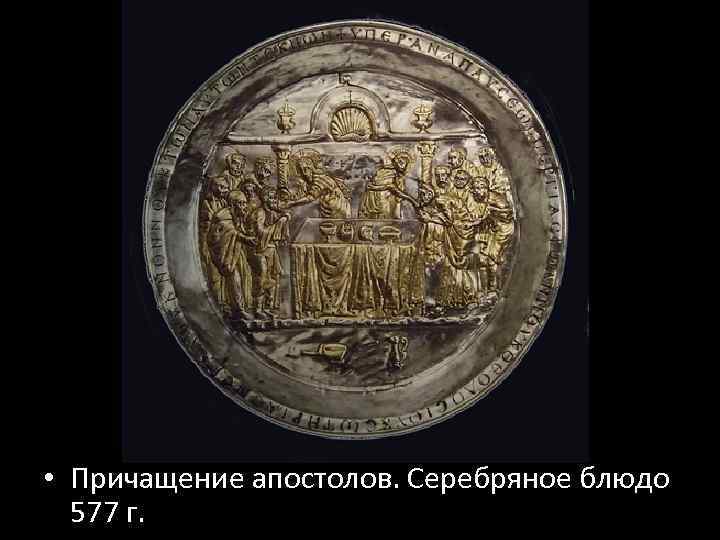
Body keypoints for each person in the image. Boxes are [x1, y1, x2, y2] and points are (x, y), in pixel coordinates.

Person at [206, 190, 255, 318]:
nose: (244, 206)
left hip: (233, 251)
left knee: (241, 276)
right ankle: (235, 309)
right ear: (232, 204)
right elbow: (226, 233)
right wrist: (245, 238)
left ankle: (240, 307)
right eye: (241, 203)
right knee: (232, 278)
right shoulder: (223, 217)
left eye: (245, 203)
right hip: (223, 253)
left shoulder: (237, 216)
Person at [246, 187, 290, 318]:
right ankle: (258, 309)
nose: (274, 201)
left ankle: (267, 307)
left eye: (275, 198)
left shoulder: (272, 213)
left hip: (271, 250)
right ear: (265, 199)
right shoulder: (259, 213)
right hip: (259, 250)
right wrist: (279, 224)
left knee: (271, 277)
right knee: (262, 277)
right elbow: (260, 233)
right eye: (271, 198)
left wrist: (283, 219)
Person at [286, 149, 351, 219]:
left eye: (306, 169)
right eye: (301, 170)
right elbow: (302, 194)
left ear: (311, 167)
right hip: (328, 207)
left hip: (337, 207)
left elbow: (310, 198)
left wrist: (292, 203)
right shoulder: (309, 182)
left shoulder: (318, 178)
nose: (304, 173)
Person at [358, 148, 414, 219]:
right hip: (372, 199)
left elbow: (395, 190)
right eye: (400, 162)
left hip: (384, 201)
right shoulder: (384, 170)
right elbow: (373, 182)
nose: (401, 165)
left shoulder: (398, 176)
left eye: (403, 164)